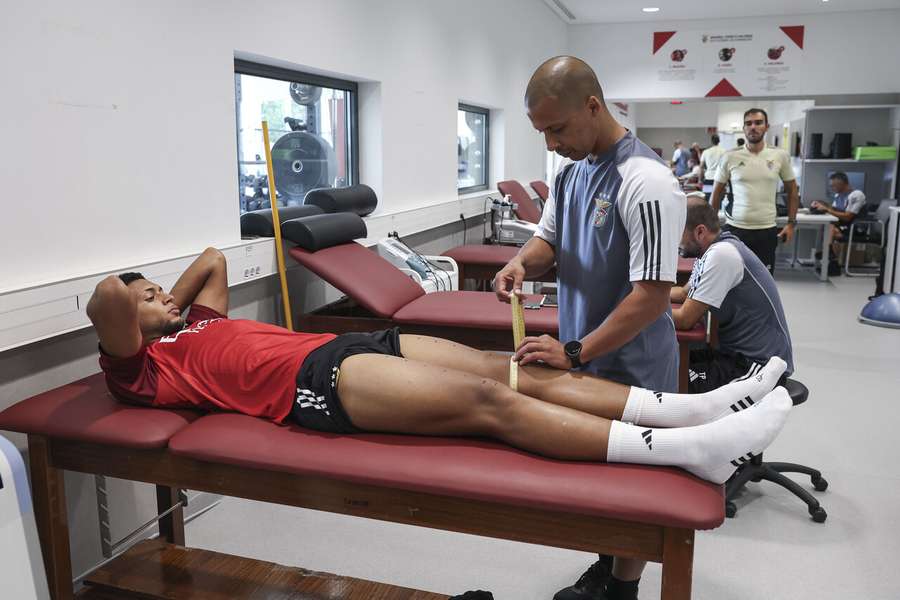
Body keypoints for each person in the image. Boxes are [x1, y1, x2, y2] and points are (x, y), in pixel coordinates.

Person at [86, 249, 791, 484]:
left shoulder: (196, 322)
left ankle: (695, 407)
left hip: (348, 345)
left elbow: (211, 255)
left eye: (159, 289)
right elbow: (108, 298)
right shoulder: (137, 370)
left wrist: (169, 305)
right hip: (312, 388)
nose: (159, 296)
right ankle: (684, 452)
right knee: (491, 404)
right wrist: (148, 309)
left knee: (505, 365)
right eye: (148, 297)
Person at [492, 55, 685, 600]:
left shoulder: (646, 182)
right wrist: (520, 264)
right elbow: (548, 241)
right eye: (542, 133)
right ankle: (606, 566)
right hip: (584, 357)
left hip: (632, 365)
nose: (551, 144)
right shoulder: (571, 171)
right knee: (599, 482)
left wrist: (574, 352)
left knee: (633, 486)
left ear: (593, 107)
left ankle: (624, 588)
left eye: (557, 128)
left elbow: (649, 298)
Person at [670, 198, 794, 392]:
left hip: (757, 368)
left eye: (678, 232)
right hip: (734, 357)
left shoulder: (722, 255)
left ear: (700, 231)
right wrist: (631, 296)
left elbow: (686, 319)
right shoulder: (713, 251)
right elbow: (683, 293)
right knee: (667, 362)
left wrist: (643, 311)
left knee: (674, 380)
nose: (674, 240)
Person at [711, 108, 799, 275]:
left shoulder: (779, 155)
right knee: (730, 280)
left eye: (758, 123)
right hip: (735, 230)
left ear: (767, 126)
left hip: (766, 230)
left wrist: (791, 223)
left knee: (764, 282)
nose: (753, 127)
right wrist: (712, 226)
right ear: (743, 128)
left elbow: (793, 190)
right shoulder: (730, 157)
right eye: (748, 123)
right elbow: (716, 193)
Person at [811, 171, 867, 267]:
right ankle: (829, 254)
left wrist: (827, 209)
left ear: (842, 184)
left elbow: (848, 217)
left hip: (855, 228)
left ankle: (828, 253)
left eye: (833, 186)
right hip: (843, 226)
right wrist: (820, 204)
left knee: (830, 227)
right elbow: (834, 210)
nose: (831, 188)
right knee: (828, 225)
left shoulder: (857, 195)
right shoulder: (838, 195)